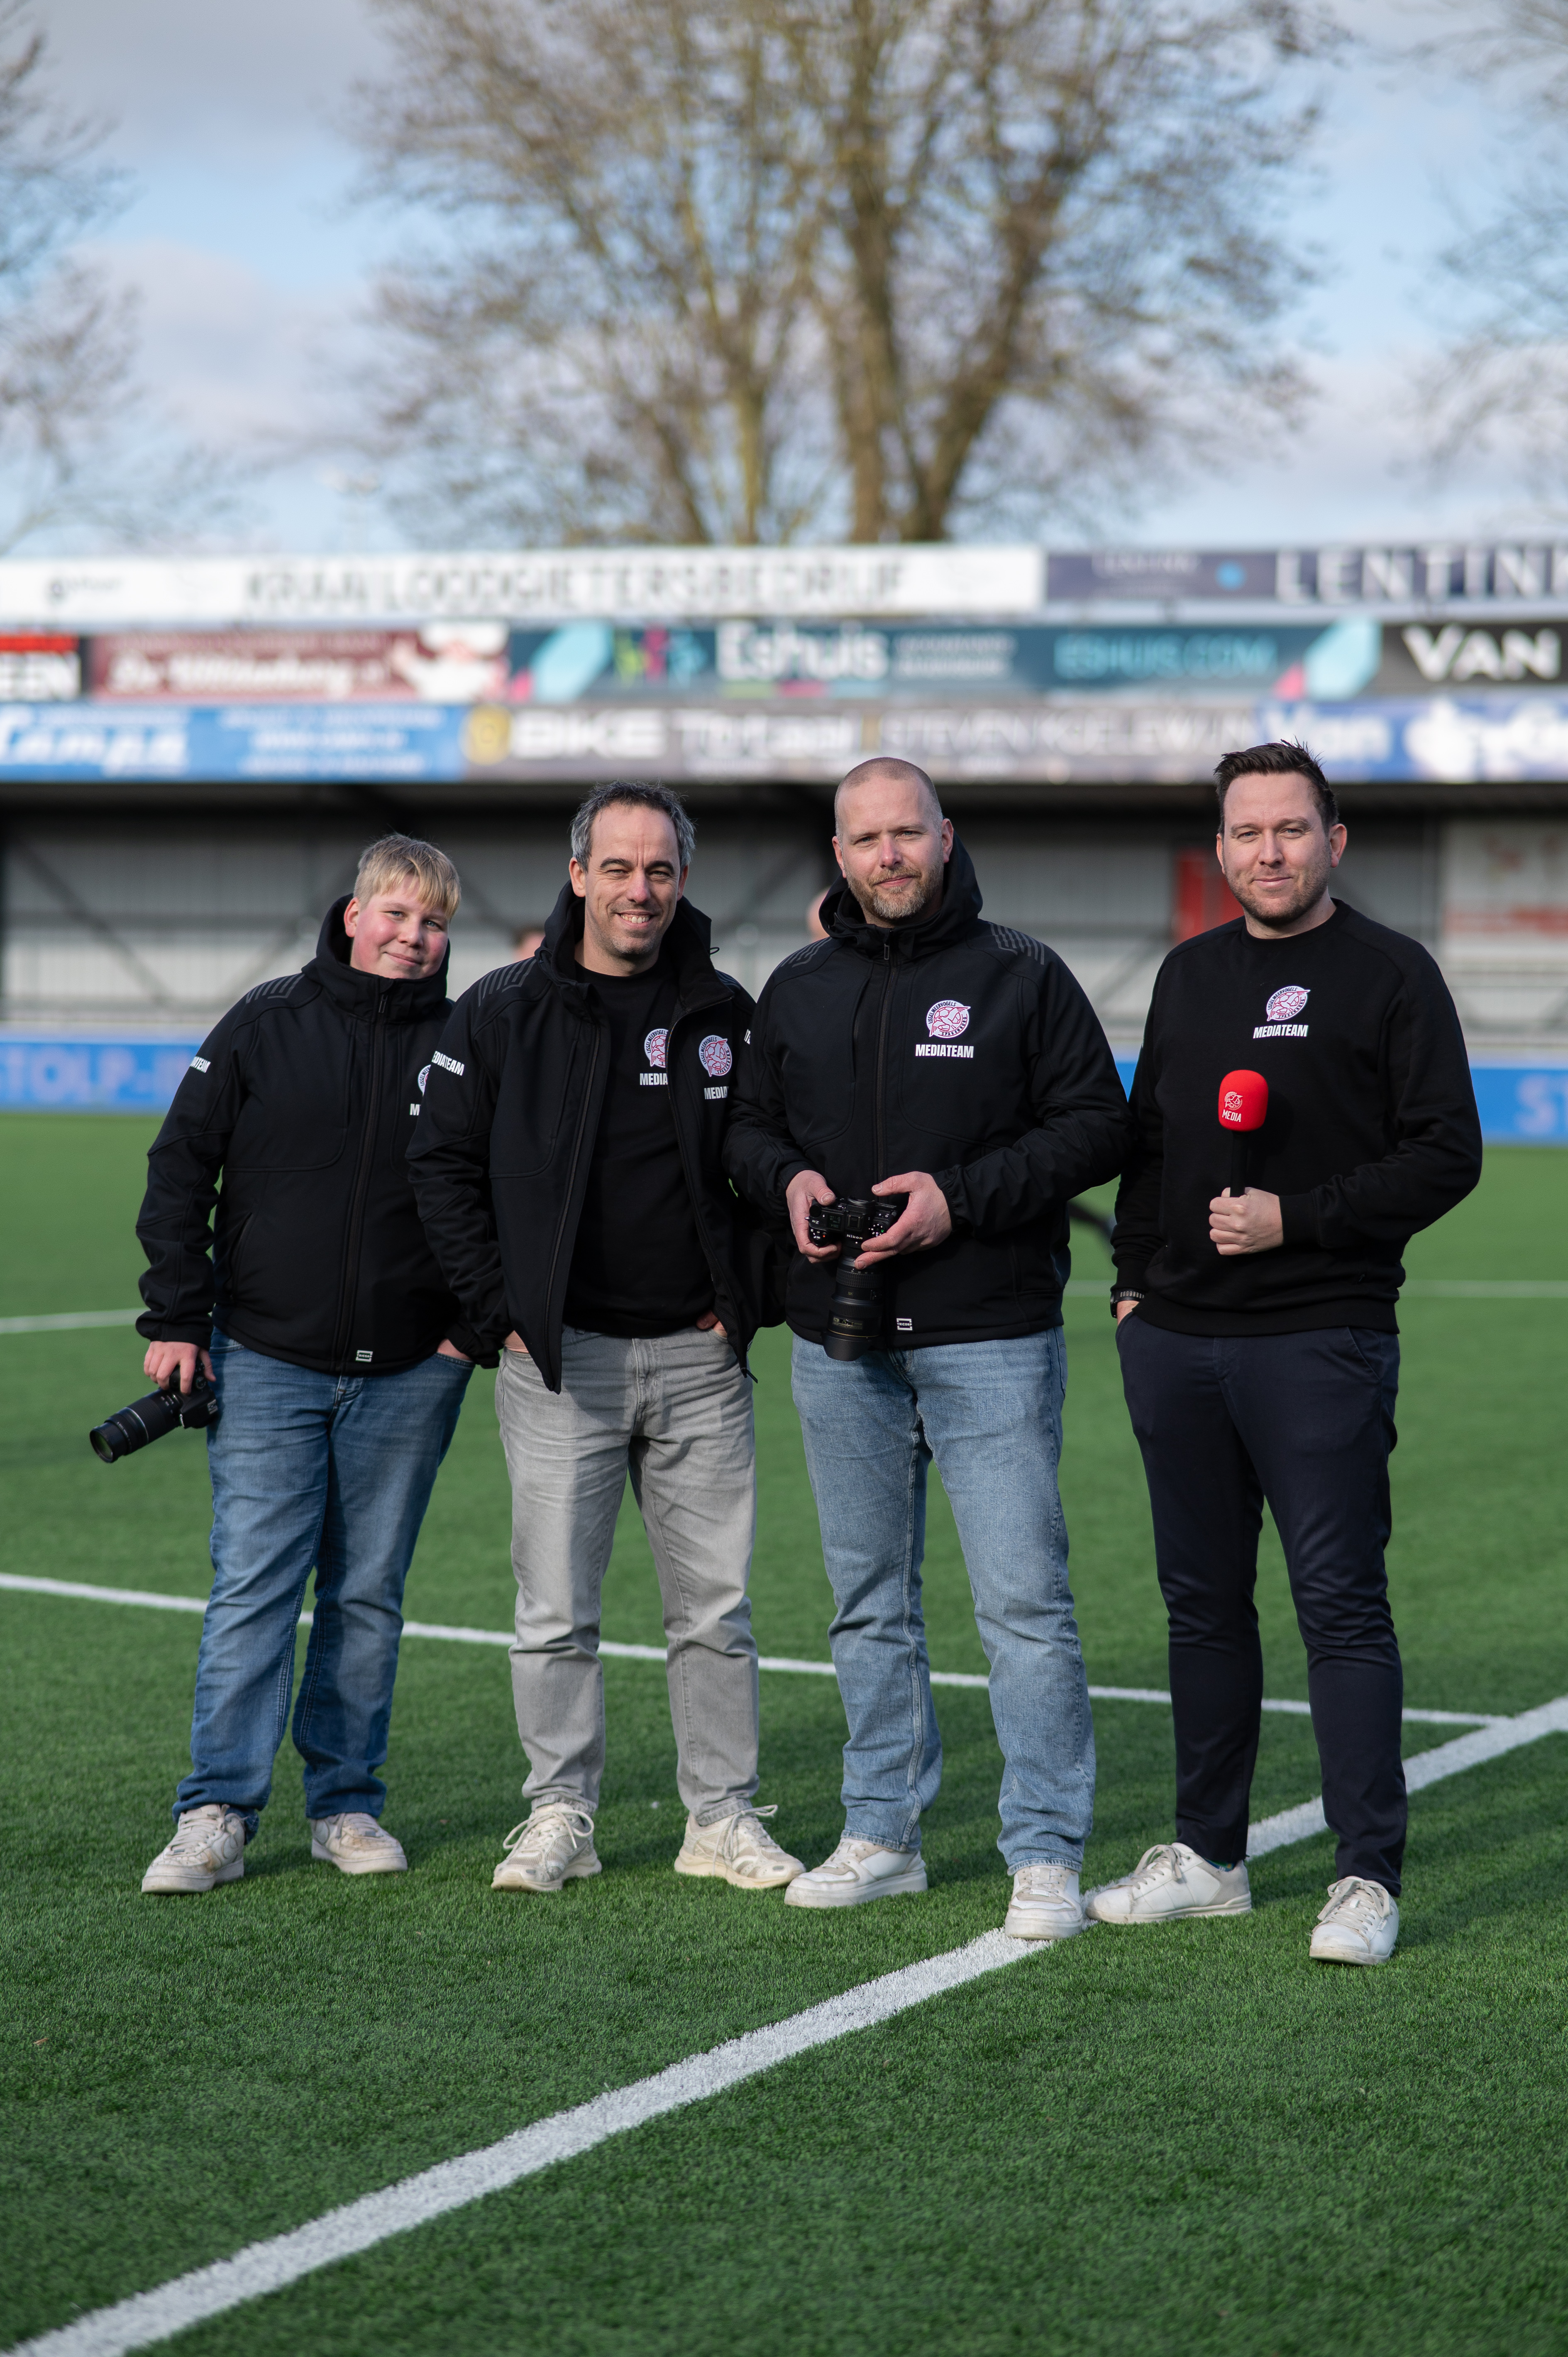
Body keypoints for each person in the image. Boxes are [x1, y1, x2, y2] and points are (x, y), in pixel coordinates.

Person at [1093, 741, 1483, 1966]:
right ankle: (1209, 1855)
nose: (1269, 851)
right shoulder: (1189, 973)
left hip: (1321, 1334)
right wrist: (1131, 1288)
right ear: (1221, 849)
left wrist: (1295, 1218)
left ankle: (1366, 1874)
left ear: (1334, 839)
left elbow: (1446, 1152)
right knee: (1202, 1608)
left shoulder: (1391, 973)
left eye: (1291, 829)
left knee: (1339, 1608)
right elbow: (1150, 1147)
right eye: (1247, 832)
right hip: (1178, 1342)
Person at [724, 758, 1128, 1939]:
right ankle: (882, 1831)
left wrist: (958, 1198)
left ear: (945, 839)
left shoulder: (1022, 974)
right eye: (866, 838)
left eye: (907, 833)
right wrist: (786, 1176)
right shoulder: (795, 983)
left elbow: (1097, 1122)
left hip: (988, 1331)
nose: (887, 855)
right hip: (837, 1339)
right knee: (866, 1601)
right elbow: (744, 1125)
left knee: (1023, 1602)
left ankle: (1045, 1849)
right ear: (839, 855)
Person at [408, 781, 802, 1897]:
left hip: (698, 1356)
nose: (642, 889)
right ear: (578, 874)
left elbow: (770, 1165)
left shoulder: (725, 1009)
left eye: (662, 869)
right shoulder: (500, 1007)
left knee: (716, 1609)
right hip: (555, 1358)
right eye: (620, 867)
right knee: (553, 1609)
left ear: (683, 878)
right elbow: (439, 1167)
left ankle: (720, 1817)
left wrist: (749, 1297)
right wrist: (500, 1316)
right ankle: (559, 1813)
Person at [135, 835, 477, 1894]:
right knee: (253, 1588)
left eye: (433, 924)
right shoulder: (264, 1019)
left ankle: (346, 1804)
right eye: (396, 915)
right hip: (265, 1356)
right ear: (352, 914)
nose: (413, 938)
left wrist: (470, 1324)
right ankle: (216, 1812)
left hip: (417, 1366)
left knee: (368, 1594)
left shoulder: (471, 1039)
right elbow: (180, 1164)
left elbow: (510, 1187)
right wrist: (179, 1315)